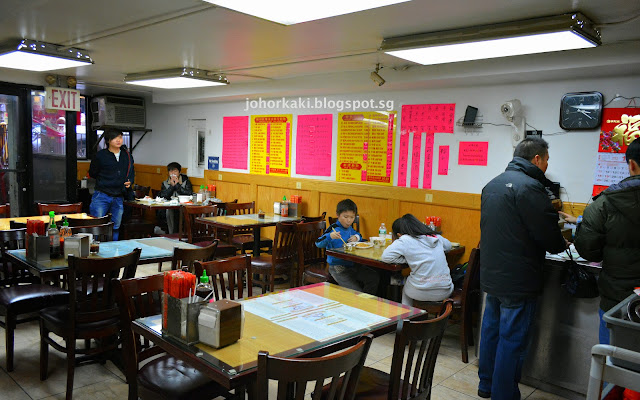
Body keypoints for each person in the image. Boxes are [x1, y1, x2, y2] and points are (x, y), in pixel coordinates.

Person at [478, 137, 567, 400]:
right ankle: (503, 394)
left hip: (492, 274)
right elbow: (549, 237)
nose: (547, 166)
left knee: (491, 331)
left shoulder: (491, 185)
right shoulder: (531, 188)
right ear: (537, 159)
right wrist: (562, 244)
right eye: (547, 160)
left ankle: (486, 386)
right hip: (519, 278)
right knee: (512, 339)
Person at [563, 138, 640, 344]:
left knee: (611, 359)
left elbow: (588, 251)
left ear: (631, 164)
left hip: (618, 297)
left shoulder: (605, 203)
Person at [381, 213, 453, 306]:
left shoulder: (405, 239)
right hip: (445, 290)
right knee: (412, 283)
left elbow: (386, 257)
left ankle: (407, 317)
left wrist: (408, 259)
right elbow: (448, 246)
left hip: (420, 292)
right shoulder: (435, 236)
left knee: (407, 287)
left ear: (399, 235)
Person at [315, 199, 379, 295]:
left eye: (352, 217)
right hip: (338, 268)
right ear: (338, 215)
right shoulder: (333, 229)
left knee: (374, 277)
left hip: (353, 265)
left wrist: (356, 237)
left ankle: (366, 303)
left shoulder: (350, 229)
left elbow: (359, 235)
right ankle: (361, 303)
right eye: (345, 217)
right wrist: (330, 236)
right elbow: (318, 243)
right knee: (357, 293)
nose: (349, 220)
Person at [88, 129, 134, 241]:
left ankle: (113, 251)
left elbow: (131, 171)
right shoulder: (101, 155)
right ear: (108, 140)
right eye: (115, 138)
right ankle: (95, 251)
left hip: (119, 195)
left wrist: (130, 181)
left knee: (116, 227)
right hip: (102, 194)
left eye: (120, 137)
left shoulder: (126, 155)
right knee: (97, 225)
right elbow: (93, 173)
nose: (118, 140)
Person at [158, 162, 193, 234]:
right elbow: (163, 196)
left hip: (183, 206)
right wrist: (171, 186)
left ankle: (179, 233)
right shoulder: (165, 183)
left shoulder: (186, 182)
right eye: (171, 171)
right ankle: (171, 233)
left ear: (179, 172)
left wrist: (177, 185)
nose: (173, 173)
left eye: (175, 171)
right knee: (168, 211)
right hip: (169, 206)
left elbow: (189, 193)